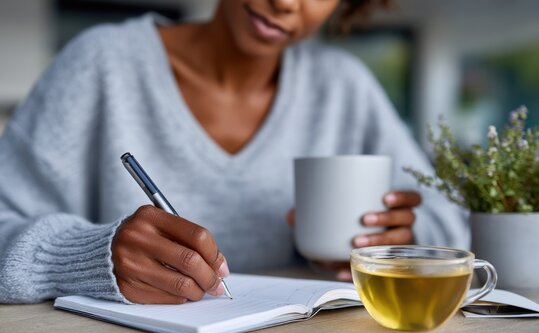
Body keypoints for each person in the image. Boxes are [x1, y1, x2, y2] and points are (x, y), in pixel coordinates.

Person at [0, 0, 467, 304]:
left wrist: (392, 243)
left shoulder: (343, 86)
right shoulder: (100, 63)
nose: (285, 3)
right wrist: (87, 255)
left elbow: (454, 229)